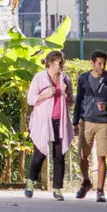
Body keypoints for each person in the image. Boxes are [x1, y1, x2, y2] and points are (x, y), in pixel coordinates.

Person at [24, 50, 74, 200]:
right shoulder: (39, 78)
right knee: (40, 153)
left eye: (62, 62)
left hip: (60, 121)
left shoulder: (65, 79)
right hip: (43, 122)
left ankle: (58, 188)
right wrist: (46, 94)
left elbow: (71, 103)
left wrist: (66, 94)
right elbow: (30, 99)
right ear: (51, 63)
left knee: (59, 155)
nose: (62, 65)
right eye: (59, 63)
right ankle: (31, 182)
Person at [72, 50, 107, 202]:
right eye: (99, 63)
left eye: (104, 63)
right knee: (82, 157)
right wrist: (75, 122)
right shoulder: (83, 79)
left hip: (103, 123)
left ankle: (100, 190)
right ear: (91, 63)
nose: (102, 66)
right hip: (86, 121)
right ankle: (86, 182)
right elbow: (78, 100)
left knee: (101, 158)